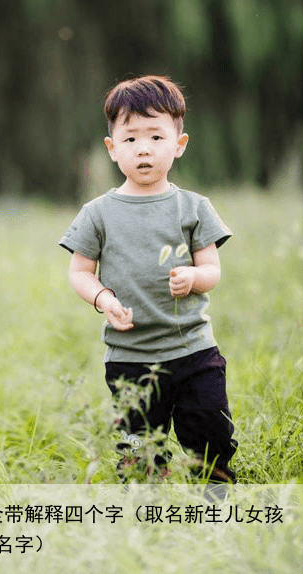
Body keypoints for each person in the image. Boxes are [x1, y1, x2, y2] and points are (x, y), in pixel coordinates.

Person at [59, 75, 237, 482]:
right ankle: (146, 514)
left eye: (156, 137)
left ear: (179, 144)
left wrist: (194, 276)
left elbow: (212, 270)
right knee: (138, 449)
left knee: (210, 434)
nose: (143, 148)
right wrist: (103, 299)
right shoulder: (97, 213)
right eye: (131, 138)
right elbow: (80, 272)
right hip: (130, 358)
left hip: (193, 350)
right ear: (112, 148)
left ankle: (213, 507)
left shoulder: (193, 207)